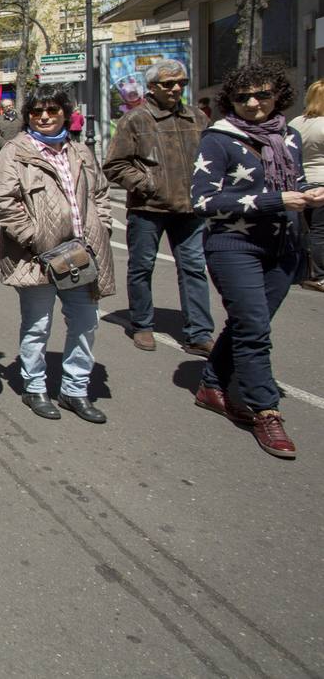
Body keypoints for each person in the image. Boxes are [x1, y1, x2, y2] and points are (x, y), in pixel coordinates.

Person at [191, 63, 324, 458]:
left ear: (277, 96)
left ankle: (211, 384)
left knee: (250, 324)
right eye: (242, 97)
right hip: (234, 247)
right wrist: (275, 200)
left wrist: (310, 192)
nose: (253, 103)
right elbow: (203, 201)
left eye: (262, 95)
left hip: (283, 246)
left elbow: (291, 182)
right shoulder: (218, 140)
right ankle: (265, 409)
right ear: (229, 101)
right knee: (254, 330)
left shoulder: (291, 136)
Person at [0, 86, 115, 424]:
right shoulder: (16, 152)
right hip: (36, 258)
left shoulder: (80, 151)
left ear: (64, 112)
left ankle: (75, 390)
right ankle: (35, 386)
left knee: (86, 323)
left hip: (80, 254)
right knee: (37, 325)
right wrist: (35, 239)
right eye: (36, 112)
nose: (44, 117)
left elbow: (100, 193)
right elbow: (3, 200)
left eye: (52, 110)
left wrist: (102, 226)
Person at [103, 59, 214, 356]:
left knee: (193, 269)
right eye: (168, 83)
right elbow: (114, 165)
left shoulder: (197, 118)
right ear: (152, 87)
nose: (176, 88)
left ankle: (199, 332)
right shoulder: (135, 120)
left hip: (189, 210)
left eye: (181, 83)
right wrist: (147, 184)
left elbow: (213, 158)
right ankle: (142, 324)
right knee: (142, 267)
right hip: (147, 209)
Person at [288, 79, 324, 292]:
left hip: (301, 183)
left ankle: (304, 272)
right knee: (321, 231)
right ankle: (319, 275)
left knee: (305, 231)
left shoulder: (295, 123)